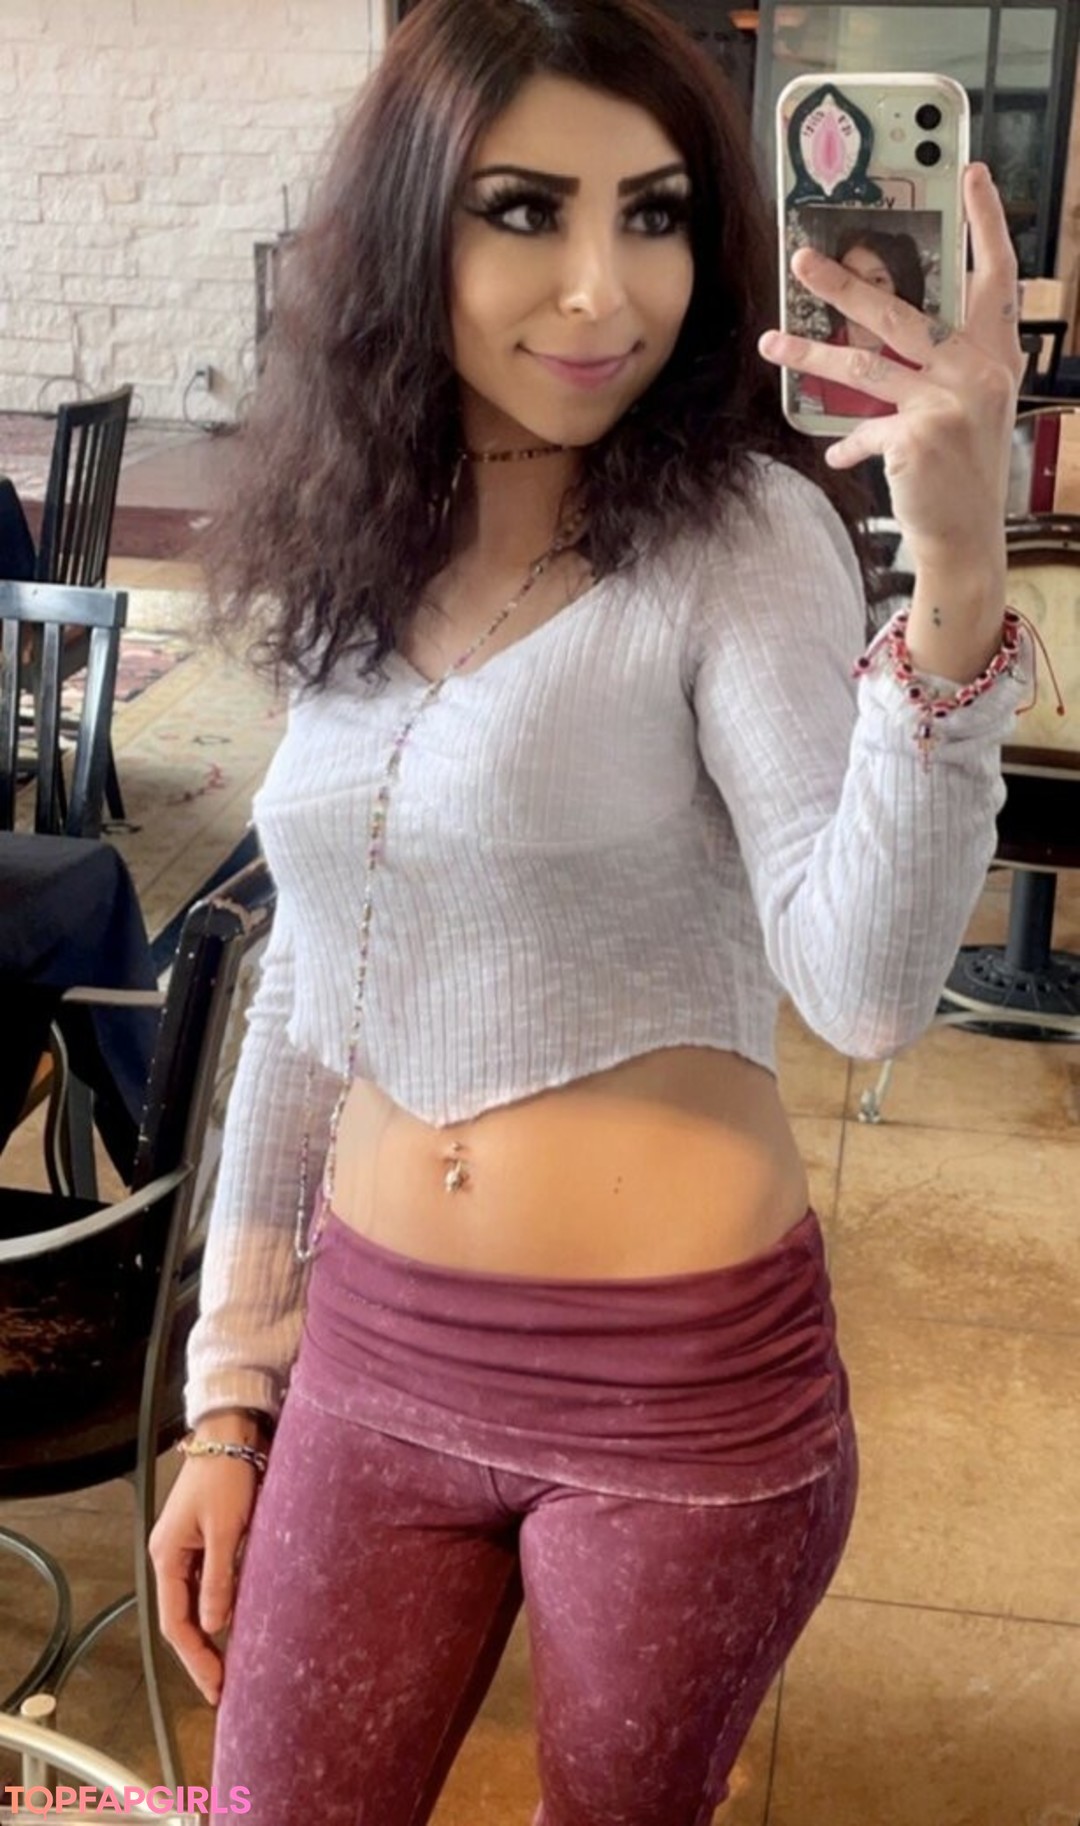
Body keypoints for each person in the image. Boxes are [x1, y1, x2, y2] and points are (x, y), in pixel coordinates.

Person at [149, 2, 1028, 1821]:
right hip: (373, 1348)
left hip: (675, 1390)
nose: (601, 290)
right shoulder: (359, 528)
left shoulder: (736, 537)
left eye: (656, 215)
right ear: (412, 226)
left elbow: (864, 989)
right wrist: (230, 1392)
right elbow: (309, 977)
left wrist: (952, 580)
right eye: (525, 209)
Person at [797, 225, 926, 418]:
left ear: (900, 288)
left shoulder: (922, 363)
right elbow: (809, 427)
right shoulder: (819, 358)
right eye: (850, 276)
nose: (860, 289)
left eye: (878, 280)